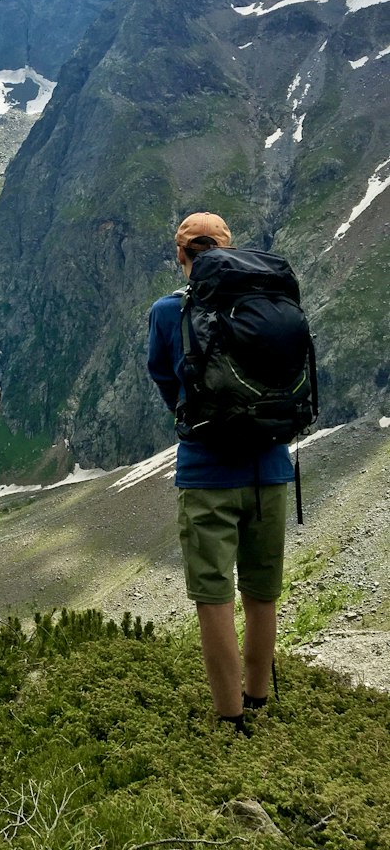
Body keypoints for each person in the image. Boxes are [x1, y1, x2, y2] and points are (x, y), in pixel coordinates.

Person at [147, 212, 293, 735]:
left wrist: (194, 413)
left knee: (214, 598)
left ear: (182, 255)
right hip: (270, 468)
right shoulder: (271, 305)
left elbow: (164, 377)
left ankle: (231, 721)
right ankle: (259, 700)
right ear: (229, 248)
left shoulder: (168, 312)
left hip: (207, 471)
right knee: (262, 593)